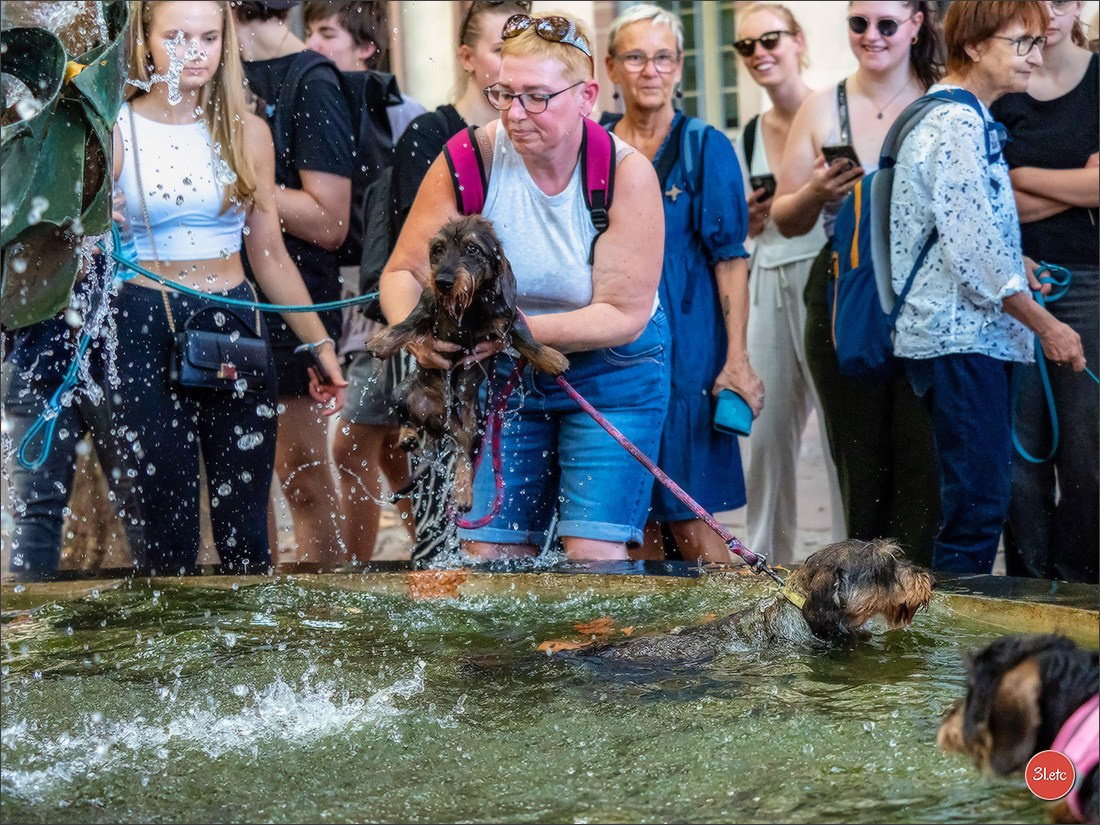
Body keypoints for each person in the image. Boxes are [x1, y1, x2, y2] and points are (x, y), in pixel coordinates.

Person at [379, 11, 667, 562]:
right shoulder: (468, 159)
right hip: (504, 366)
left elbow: (623, 313)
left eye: (536, 97)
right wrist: (413, 335)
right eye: (504, 93)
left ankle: (592, 653)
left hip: (614, 371)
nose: (515, 112)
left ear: (586, 96)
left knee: (592, 554)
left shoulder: (625, 174)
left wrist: (509, 331)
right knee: (487, 551)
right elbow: (401, 273)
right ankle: (505, 655)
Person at [112, 0, 346, 575]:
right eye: (176, 36)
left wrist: (319, 344)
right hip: (144, 317)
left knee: (247, 521)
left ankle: (251, 655)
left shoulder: (249, 133)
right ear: (144, 40)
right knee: (165, 522)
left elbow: (268, 256)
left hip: (233, 320)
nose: (194, 52)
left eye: (208, 37)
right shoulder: (114, 129)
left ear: (226, 44)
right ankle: (167, 653)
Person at [328, 0, 531, 564]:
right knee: (409, 458)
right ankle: (414, 570)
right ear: (467, 56)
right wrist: (416, 334)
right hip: (434, 339)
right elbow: (416, 258)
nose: (514, 66)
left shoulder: (537, 136)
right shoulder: (433, 134)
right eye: (499, 50)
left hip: (498, 342)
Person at [889, 0, 1085, 575]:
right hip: (958, 339)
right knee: (977, 508)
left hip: (960, 337)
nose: (1034, 54)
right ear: (974, 45)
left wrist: (1015, 258)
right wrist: (1049, 326)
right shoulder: (955, 124)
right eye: (1019, 42)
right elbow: (975, 260)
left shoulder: (962, 115)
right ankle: (947, 654)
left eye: (1036, 41)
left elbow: (964, 235)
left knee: (976, 502)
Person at [771, 1, 943, 567]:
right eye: (858, 24)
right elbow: (783, 216)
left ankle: (915, 597)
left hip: (927, 290)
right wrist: (819, 191)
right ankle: (863, 595)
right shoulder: (825, 105)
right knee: (859, 455)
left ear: (916, 23)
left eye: (886, 24)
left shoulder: (940, 98)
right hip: (847, 287)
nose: (872, 36)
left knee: (924, 456)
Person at [602, 4, 760, 564]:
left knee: (694, 523)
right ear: (612, 66)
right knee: (633, 523)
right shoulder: (593, 147)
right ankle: (662, 652)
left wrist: (736, 359)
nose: (650, 70)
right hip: (610, 355)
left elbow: (731, 260)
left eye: (663, 57)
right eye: (636, 57)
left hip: (690, 356)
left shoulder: (705, 147)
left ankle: (739, 642)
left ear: (680, 67)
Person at [232, 0, 354, 567]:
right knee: (235, 492)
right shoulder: (199, 63)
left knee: (301, 478)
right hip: (215, 299)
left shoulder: (311, 79)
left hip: (291, 302)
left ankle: (326, 618)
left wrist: (235, 179)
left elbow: (330, 222)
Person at [733, 2, 845, 566]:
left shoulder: (833, 112)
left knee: (837, 432)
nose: (759, 54)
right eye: (746, 46)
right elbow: (752, 226)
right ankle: (764, 565)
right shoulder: (752, 129)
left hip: (827, 276)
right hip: (768, 278)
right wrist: (752, 220)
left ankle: (852, 568)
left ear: (799, 41)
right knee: (768, 434)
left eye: (770, 40)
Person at [991, 0, 1098, 583]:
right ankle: (1029, 590)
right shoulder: (1005, 87)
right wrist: (1080, 185)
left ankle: (1082, 593)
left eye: (1060, 1)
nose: (1048, 13)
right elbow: (988, 200)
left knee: (1088, 455)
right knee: (1020, 459)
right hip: (1014, 282)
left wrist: (1020, 177)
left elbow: (1006, 188)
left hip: (1091, 281)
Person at [3, 264, 146, 580]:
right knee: (36, 511)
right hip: (36, 363)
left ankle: (161, 618)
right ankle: (29, 622)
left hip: (122, 362)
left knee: (140, 502)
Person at [301, 0, 426, 145]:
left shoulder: (403, 113)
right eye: (309, 34)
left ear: (365, 48)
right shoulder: (307, 101)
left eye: (328, 35)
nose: (310, 45)